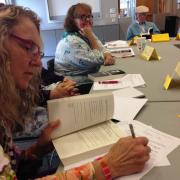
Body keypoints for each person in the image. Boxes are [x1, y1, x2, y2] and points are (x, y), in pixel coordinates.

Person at [0, 4, 151, 180]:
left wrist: (37, 150)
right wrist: (106, 167)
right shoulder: (71, 40)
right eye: (28, 48)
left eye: (38, 52)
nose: (37, 64)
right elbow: (101, 56)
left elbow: (10, 167)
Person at [54, 3, 115, 84]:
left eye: (89, 16)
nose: (87, 20)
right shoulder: (71, 41)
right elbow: (98, 59)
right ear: (72, 20)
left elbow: (102, 48)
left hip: (86, 76)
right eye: (82, 17)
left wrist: (107, 54)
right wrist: (91, 36)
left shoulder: (83, 33)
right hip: (74, 86)